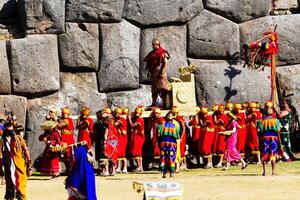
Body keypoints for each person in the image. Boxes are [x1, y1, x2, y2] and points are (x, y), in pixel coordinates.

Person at [2, 121, 31, 200]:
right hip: (9, 165)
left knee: (20, 183)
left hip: (18, 165)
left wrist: (29, 163)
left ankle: (19, 197)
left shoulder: (17, 138)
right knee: (11, 184)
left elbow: (26, 151)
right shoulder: (3, 140)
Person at [143, 38, 171, 108]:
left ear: (158, 44)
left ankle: (164, 104)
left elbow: (165, 62)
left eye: (154, 44)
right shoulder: (151, 53)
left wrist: (162, 71)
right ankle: (154, 103)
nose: (153, 46)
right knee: (154, 90)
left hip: (161, 73)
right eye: (152, 44)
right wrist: (149, 72)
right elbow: (149, 64)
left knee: (162, 89)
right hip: (154, 74)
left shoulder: (163, 52)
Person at [257, 101, 281, 176]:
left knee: (264, 154)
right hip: (273, 139)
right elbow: (278, 130)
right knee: (273, 154)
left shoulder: (260, 121)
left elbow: (258, 131)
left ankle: (264, 172)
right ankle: (273, 172)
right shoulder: (276, 121)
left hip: (264, 139)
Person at [39, 109, 62, 178]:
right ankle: (50, 171)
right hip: (49, 146)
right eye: (50, 112)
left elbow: (58, 140)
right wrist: (42, 138)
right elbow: (43, 136)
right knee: (46, 157)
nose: (50, 113)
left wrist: (51, 142)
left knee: (55, 159)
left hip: (55, 145)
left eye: (51, 112)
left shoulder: (56, 129)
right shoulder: (48, 120)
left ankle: (56, 172)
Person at [157, 111, 180, 178]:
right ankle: (171, 173)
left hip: (163, 143)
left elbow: (158, 135)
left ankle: (164, 173)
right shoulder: (176, 126)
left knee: (163, 158)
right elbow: (178, 136)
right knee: (171, 158)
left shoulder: (161, 126)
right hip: (172, 144)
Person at [57, 107, 75, 174]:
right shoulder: (62, 119)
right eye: (63, 113)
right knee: (64, 154)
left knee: (69, 154)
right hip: (63, 137)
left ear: (68, 114)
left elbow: (60, 125)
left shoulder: (68, 120)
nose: (64, 115)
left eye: (66, 113)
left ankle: (71, 169)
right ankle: (67, 169)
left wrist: (56, 121)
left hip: (68, 138)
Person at [128, 107, 145, 173]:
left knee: (137, 153)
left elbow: (132, 125)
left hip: (139, 138)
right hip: (136, 137)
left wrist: (129, 119)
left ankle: (139, 167)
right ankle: (140, 167)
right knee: (136, 153)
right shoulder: (138, 119)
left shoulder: (140, 120)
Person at [172, 106, 187, 172]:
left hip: (180, 137)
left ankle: (183, 164)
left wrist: (181, 137)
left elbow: (183, 128)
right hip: (174, 137)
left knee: (180, 150)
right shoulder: (172, 119)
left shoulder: (180, 119)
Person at [114, 107, 128, 173]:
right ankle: (118, 167)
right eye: (116, 113)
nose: (117, 114)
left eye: (118, 113)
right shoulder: (116, 119)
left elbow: (114, 124)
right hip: (118, 137)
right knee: (118, 153)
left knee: (122, 153)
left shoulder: (121, 119)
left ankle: (124, 167)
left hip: (122, 138)